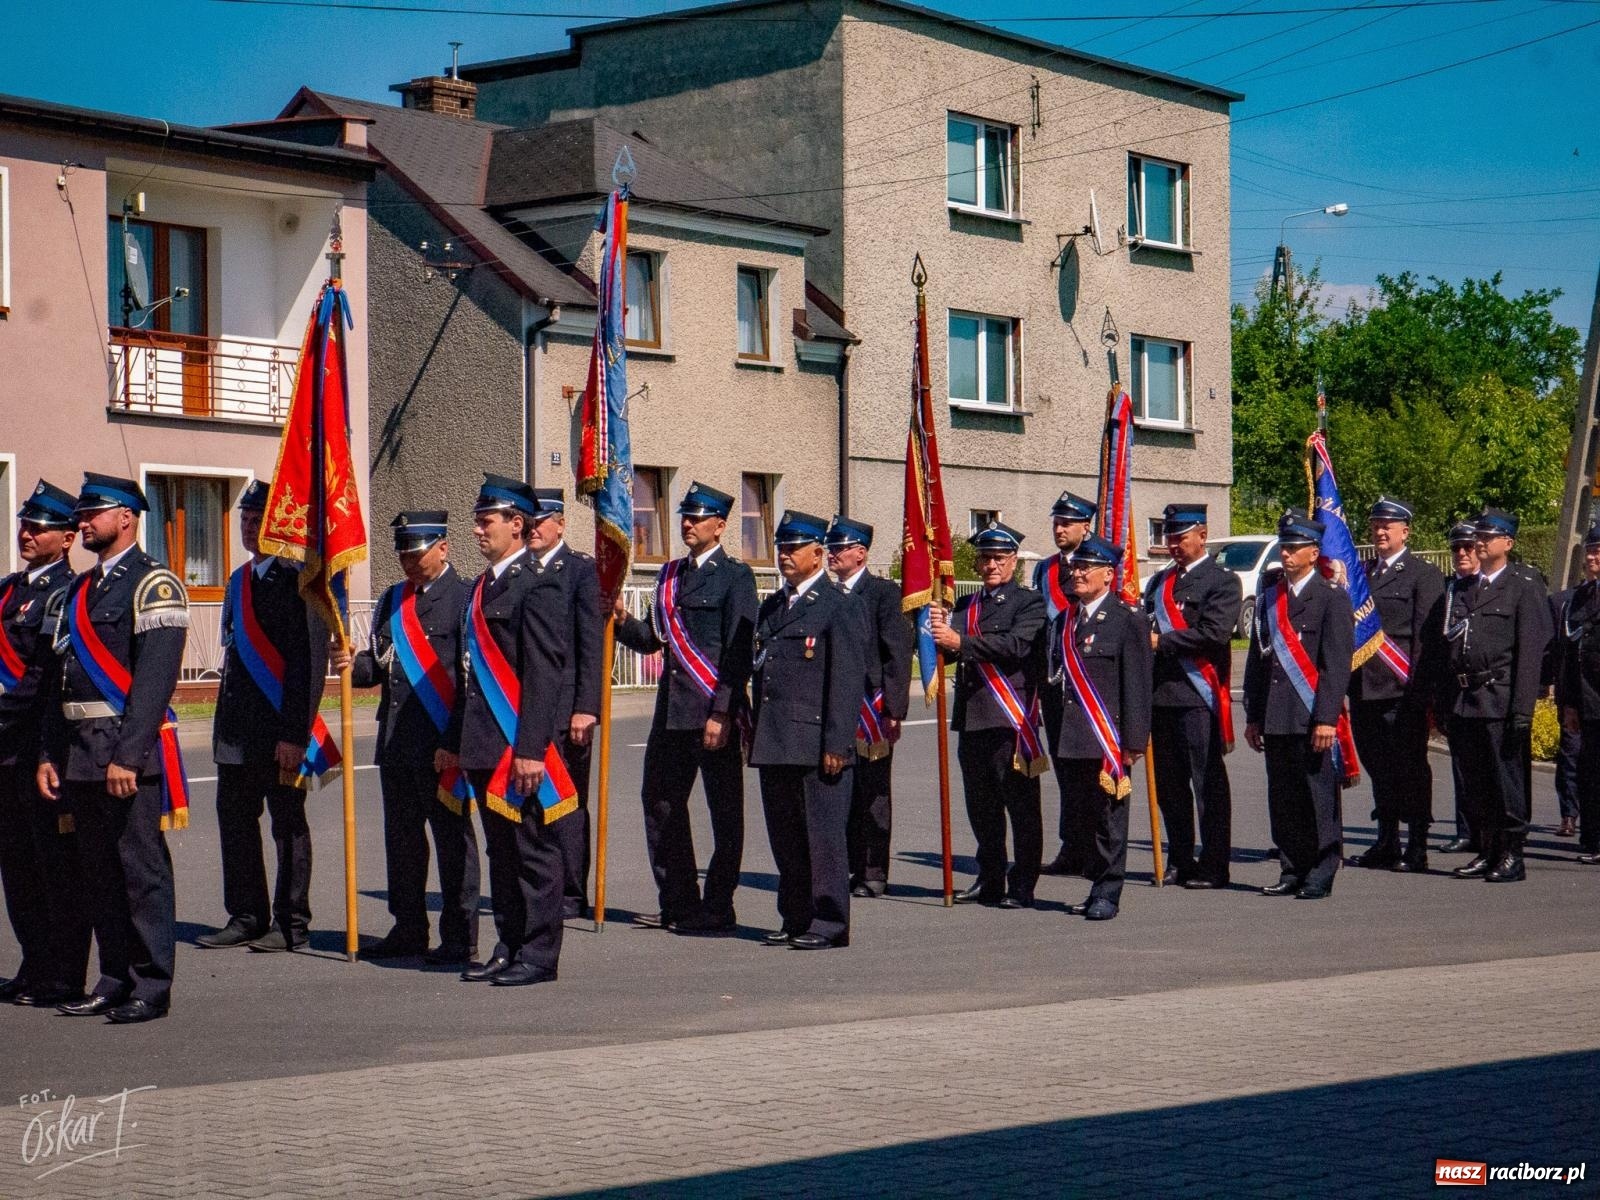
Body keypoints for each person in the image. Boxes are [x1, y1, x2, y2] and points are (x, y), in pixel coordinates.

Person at [38, 473, 188, 1023]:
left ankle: (152, 985)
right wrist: (49, 755)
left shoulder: (154, 584)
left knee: (140, 871)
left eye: (93, 512)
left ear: (126, 517)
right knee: (98, 872)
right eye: (80, 513)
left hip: (124, 752)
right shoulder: (78, 590)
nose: (82, 522)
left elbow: (153, 681)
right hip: (78, 751)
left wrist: (129, 755)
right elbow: (61, 683)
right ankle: (113, 976)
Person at [439, 475, 569, 987]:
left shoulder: (539, 583)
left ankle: (539, 954)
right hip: (482, 742)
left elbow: (543, 673)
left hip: (518, 743)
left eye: (485, 520)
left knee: (533, 851)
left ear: (517, 525)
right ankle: (508, 943)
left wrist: (532, 748)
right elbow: (466, 673)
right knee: (501, 852)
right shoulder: (482, 586)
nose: (477, 530)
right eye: (476, 520)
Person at [334, 511, 479, 964]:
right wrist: (347, 662)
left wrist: (455, 742)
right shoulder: (392, 600)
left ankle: (459, 934)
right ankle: (409, 926)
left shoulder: (465, 598)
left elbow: (471, 680)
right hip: (397, 742)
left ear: (443, 547)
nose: (409, 563)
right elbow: (376, 668)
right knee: (402, 841)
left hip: (442, 744)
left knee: (453, 842)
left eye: (416, 554)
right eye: (402, 554)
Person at [612, 481, 757, 935]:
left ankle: (718, 905)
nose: (688, 523)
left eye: (697, 517)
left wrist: (721, 712)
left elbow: (738, 653)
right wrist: (622, 621)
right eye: (684, 516)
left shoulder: (736, 577)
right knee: (660, 803)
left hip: (713, 713)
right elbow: (656, 640)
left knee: (724, 813)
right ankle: (678, 901)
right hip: (671, 713)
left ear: (721, 525)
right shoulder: (671, 575)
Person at [196, 480, 327, 954]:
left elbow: (309, 664)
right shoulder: (238, 580)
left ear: (278, 525)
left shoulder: (299, 580)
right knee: (235, 822)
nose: (250, 528)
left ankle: (292, 922)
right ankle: (247, 914)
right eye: (245, 520)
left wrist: (296, 734)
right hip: (236, 731)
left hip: (279, 732)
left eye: (258, 520)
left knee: (287, 825)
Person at [751, 511, 865, 949]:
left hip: (818, 741)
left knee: (824, 839)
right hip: (776, 738)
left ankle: (830, 921)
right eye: (780, 547)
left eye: (793, 548)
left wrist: (838, 742)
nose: (784, 555)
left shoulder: (839, 605)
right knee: (787, 839)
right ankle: (796, 916)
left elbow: (847, 678)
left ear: (818, 553)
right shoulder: (775, 605)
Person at [0, 481, 89, 1008]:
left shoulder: (68, 591)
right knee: (18, 868)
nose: (27, 534)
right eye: (24, 525)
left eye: (39, 527)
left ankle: (64, 973)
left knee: (57, 866)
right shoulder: (8, 589)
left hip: (37, 749)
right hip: (4, 752)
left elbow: (40, 680)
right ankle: (34, 964)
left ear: (68, 538)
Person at [932, 521, 1048, 909]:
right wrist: (930, 630)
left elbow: (1016, 646)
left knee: (1020, 806)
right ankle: (991, 876)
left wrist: (960, 641)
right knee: (981, 807)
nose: (991, 565)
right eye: (985, 558)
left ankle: (1024, 882)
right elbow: (950, 652)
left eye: (999, 558)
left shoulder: (1029, 602)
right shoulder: (966, 605)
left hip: (1009, 719)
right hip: (974, 716)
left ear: (1013, 561)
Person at [1436, 508, 1551, 883]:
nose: (1480, 543)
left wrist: (1522, 710)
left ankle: (1512, 854)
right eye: (1478, 537)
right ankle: (1487, 851)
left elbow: (1531, 652)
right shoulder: (1464, 588)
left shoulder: (1523, 586)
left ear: (1508, 543)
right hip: (1466, 699)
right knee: (1477, 783)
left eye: (1489, 537)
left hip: (1499, 698)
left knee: (1506, 783)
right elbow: (1448, 649)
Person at [1244, 510, 1354, 900]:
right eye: (1283, 548)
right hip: (1275, 715)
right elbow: (1259, 659)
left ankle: (1322, 870)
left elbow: (1336, 665)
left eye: (1293, 548)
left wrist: (1326, 718)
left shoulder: (1331, 599)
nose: (1286, 555)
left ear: (1313, 552)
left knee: (1318, 798)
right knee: (1284, 797)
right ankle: (1292, 867)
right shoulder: (1271, 597)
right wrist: (1253, 714)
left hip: (1311, 716)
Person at [1047, 534, 1152, 921]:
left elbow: (1137, 684)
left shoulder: (1128, 620)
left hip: (1109, 738)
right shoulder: (1064, 621)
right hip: (1073, 735)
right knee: (1084, 816)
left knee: (1110, 818)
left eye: (1086, 567)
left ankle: (1108, 891)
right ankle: (1094, 883)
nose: (1077, 573)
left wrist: (1135, 740)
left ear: (1108, 574)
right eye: (1075, 567)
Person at [1144, 502, 1241, 889]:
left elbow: (1214, 633)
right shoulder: (1159, 583)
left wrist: (1162, 641)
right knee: (1170, 788)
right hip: (1161, 697)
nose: (1173, 545)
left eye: (1181, 537)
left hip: (1197, 696)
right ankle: (1180, 858)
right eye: (1169, 538)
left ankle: (1216, 863)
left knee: (1207, 785)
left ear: (1202, 535)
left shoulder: (1222, 581)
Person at [1347, 497, 1445, 873]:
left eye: (1388, 526)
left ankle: (1417, 844)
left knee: (1411, 768)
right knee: (1379, 766)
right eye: (1375, 525)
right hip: (1364, 688)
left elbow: (1426, 639)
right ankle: (1387, 840)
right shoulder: (1362, 574)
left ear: (1406, 531)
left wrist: (1422, 694)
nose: (1381, 531)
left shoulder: (1422, 574)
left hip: (1402, 689)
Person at [825, 515, 913, 899]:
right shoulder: (828, 595)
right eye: (830, 548)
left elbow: (897, 652)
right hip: (836, 705)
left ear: (860, 554)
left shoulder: (882, 593)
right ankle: (845, 866)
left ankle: (873, 870)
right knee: (839, 788)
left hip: (871, 706)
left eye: (839, 548)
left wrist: (894, 709)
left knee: (873, 793)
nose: (831, 554)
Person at [527, 488, 602, 920]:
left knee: (567, 804)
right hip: (525, 710)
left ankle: (572, 893)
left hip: (567, 708)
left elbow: (591, 644)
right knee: (528, 805)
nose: (534, 529)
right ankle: (539, 886)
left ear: (560, 524)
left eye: (542, 521)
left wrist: (586, 705)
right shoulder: (518, 571)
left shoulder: (578, 572)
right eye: (529, 522)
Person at [1033, 491, 1100, 878]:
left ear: (1085, 527)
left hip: (1090, 686)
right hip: (1056, 683)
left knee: (1092, 770)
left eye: (1067, 523)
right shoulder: (1044, 570)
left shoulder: (1100, 564)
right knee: (1065, 771)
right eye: (1056, 523)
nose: (1060, 529)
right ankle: (1072, 846)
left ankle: (1096, 848)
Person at [1432, 522, 1483, 855]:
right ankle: (1466, 830)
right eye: (1456, 548)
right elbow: (1438, 647)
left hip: (1488, 688)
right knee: (1462, 765)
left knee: (1490, 769)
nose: (1462, 553)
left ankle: (1492, 835)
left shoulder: (1497, 586)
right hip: (1455, 689)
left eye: (1468, 547)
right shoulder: (1448, 590)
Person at [1556, 522, 1600, 866]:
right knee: (1587, 771)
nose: (1591, 556)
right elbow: (1570, 655)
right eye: (1590, 550)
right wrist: (1568, 703)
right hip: (1586, 701)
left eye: (1598, 550)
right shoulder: (1580, 596)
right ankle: (1592, 837)